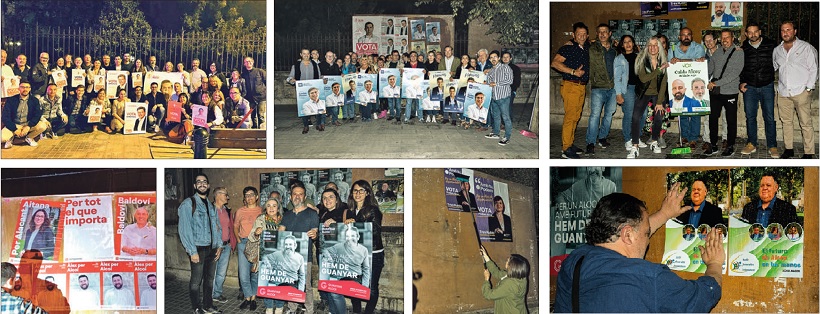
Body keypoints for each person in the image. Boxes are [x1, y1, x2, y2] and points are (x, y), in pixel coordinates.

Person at [555, 184, 724, 312]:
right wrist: (715, 263)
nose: (647, 240)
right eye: (646, 233)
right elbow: (703, 295)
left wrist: (664, 214)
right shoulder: (650, 277)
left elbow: (629, 236)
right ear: (627, 234)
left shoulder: (574, 262)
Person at [177, 173, 222, 314]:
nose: (202, 184)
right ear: (195, 186)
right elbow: (184, 229)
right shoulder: (188, 204)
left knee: (209, 280)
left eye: (204, 182)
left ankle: (208, 305)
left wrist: (219, 245)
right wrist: (192, 251)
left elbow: (217, 227)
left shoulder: (211, 206)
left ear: (208, 186)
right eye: (199, 182)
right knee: (196, 280)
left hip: (212, 248)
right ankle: (197, 307)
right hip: (198, 248)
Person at [773, 21, 817, 159]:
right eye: (783, 30)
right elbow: (774, 67)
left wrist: (809, 88)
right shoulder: (777, 50)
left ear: (795, 31)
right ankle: (789, 149)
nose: (785, 33)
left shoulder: (806, 48)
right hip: (783, 92)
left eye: (788, 30)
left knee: (806, 123)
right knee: (786, 122)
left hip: (801, 92)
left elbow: (814, 68)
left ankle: (809, 152)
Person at [278, 181, 320, 314]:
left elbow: (316, 233)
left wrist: (315, 234)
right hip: (288, 256)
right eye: (294, 194)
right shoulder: (287, 214)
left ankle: (309, 311)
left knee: (306, 286)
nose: (297, 196)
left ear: (305, 196)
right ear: (290, 197)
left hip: (304, 257)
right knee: (291, 283)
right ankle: (292, 308)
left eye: (300, 194)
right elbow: (281, 232)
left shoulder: (312, 214)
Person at [343, 180, 384, 314]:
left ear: (367, 193)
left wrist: (356, 224)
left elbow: (375, 232)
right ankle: (356, 311)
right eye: (355, 190)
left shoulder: (373, 210)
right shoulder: (350, 212)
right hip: (355, 254)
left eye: (361, 190)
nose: (358, 193)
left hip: (374, 253)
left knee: (371, 287)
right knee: (354, 285)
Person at [739, 22, 778, 157]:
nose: (753, 35)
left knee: (769, 117)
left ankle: (772, 146)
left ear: (760, 32)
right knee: (750, 117)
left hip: (767, 85)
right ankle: (751, 143)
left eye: (755, 32)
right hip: (750, 87)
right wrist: (741, 82)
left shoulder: (771, 45)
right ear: (746, 34)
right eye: (750, 32)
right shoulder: (743, 48)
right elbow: (741, 67)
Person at [552, 22, 590, 158]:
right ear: (574, 35)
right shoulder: (567, 48)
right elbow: (555, 63)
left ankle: (570, 144)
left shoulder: (586, 47)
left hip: (581, 87)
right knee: (570, 117)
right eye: (579, 34)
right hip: (571, 85)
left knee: (575, 117)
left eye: (584, 34)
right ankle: (566, 149)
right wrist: (573, 71)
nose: (582, 36)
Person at [627, 36, 668, 158]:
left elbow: (663, 84)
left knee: (659, 115)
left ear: (659, 47)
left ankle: (654, 141)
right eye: (650, 45)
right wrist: (659, 70)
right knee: (635, 117)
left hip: (657, 93)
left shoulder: (663, 60)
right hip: (643, 92)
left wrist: (660, 101)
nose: (653, 47)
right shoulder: (641, 59)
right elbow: (643, 78)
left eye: (655, 44)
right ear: (647, 46)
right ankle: (634, 146)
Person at [706, 29, 745, 157]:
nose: (725, 40)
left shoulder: (739, 52)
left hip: (730, 92)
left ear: (732, 38)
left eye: (727, 37)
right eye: (723, 38)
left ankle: (730, 145)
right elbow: (709, 70)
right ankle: (713, 144)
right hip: (716, 92)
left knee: (730, 120)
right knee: (712, 118)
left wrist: (717, 83)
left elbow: (734, 74)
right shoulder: (716, 53)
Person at [585, 24, 619, 155]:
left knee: (609, 114)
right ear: (597, 34)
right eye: (600, 32)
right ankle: (590, 142)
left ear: (609, 33)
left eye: (605, 32)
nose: (602, 34)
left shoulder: (615, 50)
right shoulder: (591, 48)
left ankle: (602, 137)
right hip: (598, 87)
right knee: (595, 115)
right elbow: (579, 42)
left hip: (612, 88)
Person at [248, 198, 286, 314]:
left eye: (274, 206)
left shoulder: (285, 220)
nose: (271, 208)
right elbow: (251, 237)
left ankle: (279, 306)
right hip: (265, 258)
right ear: (265, 208)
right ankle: (269, 307)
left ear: (278, 207)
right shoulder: (261, 219)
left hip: (281, 257)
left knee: (279, 282)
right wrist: (256, 233)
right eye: (268, 206)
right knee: (267, 282)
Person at [233, 186, 263, 311]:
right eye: (246, 195)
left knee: (254, 273)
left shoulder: (262, 211)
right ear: (244, 198)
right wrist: (239, 240)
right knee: (243, 274)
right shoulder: (240, 211)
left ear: (256, 197)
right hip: (243, 242)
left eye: (252, 195)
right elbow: (235, 226)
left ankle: (253, 299)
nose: (249, 197)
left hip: (256, 244)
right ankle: (247, 298)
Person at [478, 246, 529, 313]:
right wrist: (486, 256)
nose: (506, 261)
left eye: (508, 261)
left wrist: (486, 280)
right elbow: (497, 272)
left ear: (511, 266)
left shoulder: (509, 283)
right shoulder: (521, 278)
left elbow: (489, 295)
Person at [2, 82, 47, 148]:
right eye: (22, 87)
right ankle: (11, 138)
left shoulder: (34, 100)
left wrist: (28, 126)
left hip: (27, 124)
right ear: (18, 88)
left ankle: (29, 138)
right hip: (15, 124)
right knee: (2, 138)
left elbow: (37, 115)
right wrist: (14, 129)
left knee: (43, 126)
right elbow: (5, 117)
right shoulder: (11, 100)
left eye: (27, 87)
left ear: (30, 89)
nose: (25, 89)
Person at [484, 50, 514, 145]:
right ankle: (496, 133)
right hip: (494, 97)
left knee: (506, 117)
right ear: (489, 59)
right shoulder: (491, 71)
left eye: (495, 57)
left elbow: (510, 80)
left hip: (503, 96)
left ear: (499, 58)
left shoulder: (505, 67)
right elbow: (488, 83)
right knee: (495, 116)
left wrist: (496, 84)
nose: (493, 59)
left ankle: (507, 137)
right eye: (491, 57)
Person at [209, 187, 234, 304]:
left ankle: (217, 294)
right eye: (225, 195)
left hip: (226, 246)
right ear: (218, 195)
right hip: (214, 246)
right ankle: (209, 295)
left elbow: (230, 227)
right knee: (212, 272)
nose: (227, 197)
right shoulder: (209, 209)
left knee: (221, 273)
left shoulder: (227, 210)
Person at [241, 56, 267, 129]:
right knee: (252, 115)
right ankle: (255, 130)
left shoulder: (260, 71)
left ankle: (262, 131)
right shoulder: (244, 74)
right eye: (246, 61)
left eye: (250, 61)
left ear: (253, 62)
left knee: (261, 115)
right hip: (250, 97)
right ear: (244, 64)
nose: (248, 63)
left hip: (261, 97)